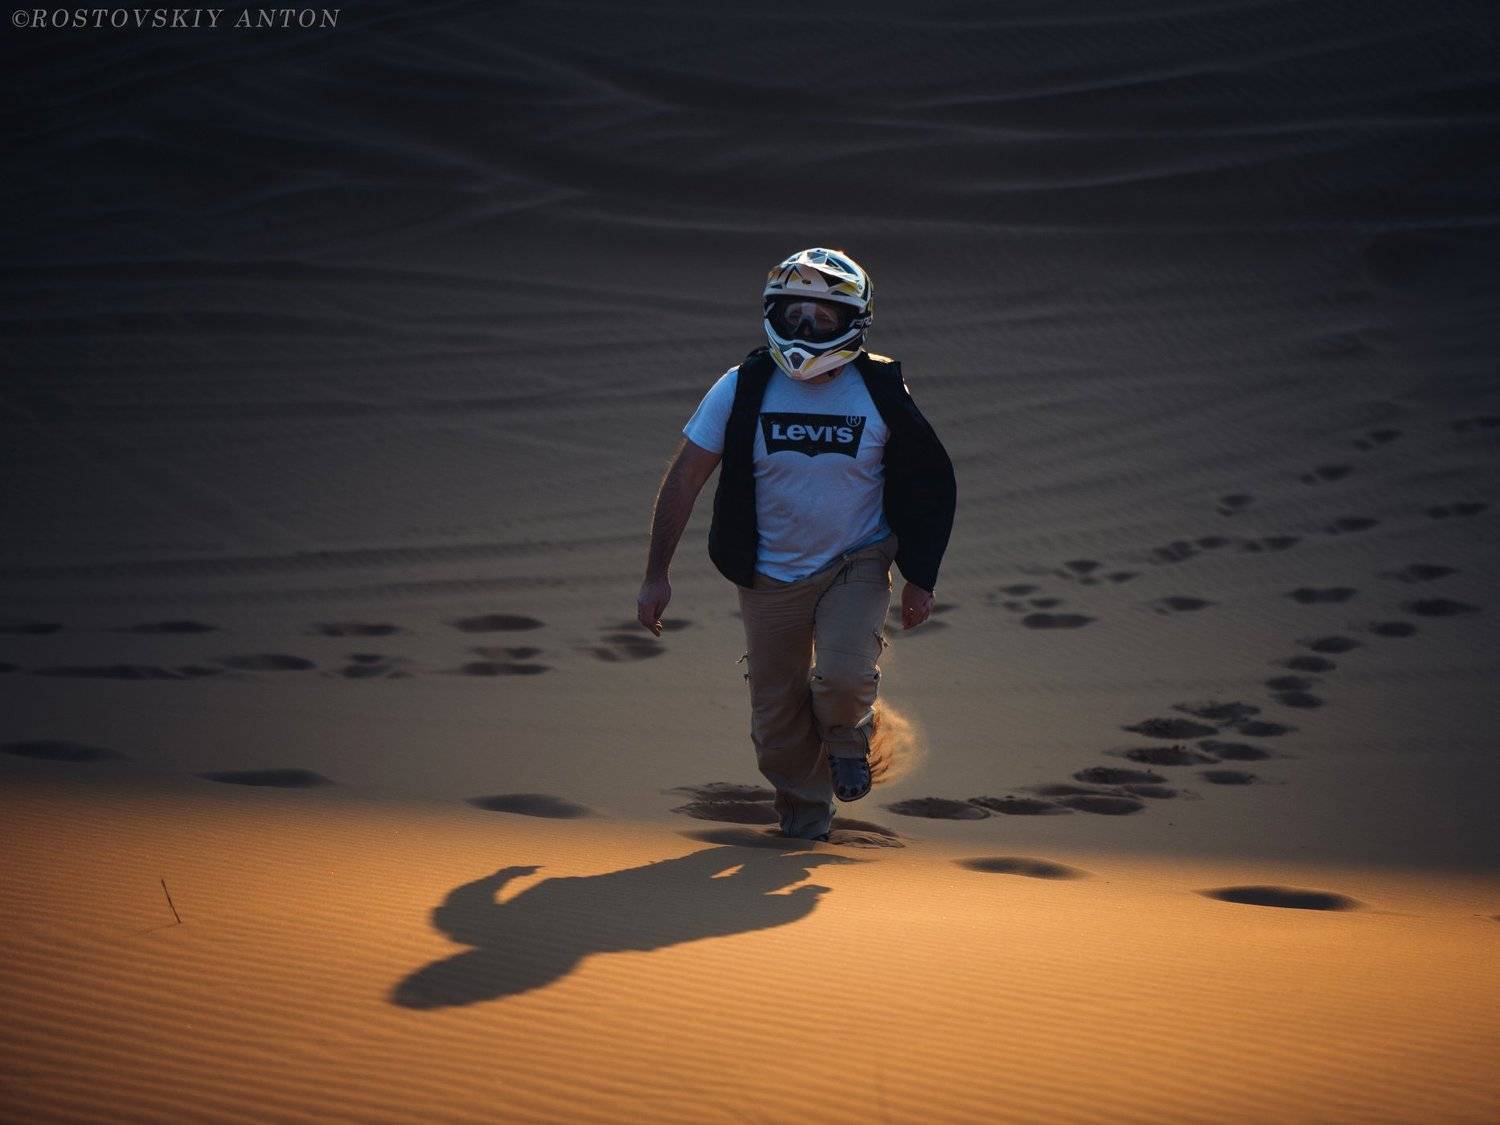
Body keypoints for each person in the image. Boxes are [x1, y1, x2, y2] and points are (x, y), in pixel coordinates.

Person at [636, 247, 957, 842]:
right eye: (794, 314)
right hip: (766, 573)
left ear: (855, 321)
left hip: (855, 560)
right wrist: (657, 573)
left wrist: (922, 577)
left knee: (839, 680)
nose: (807, 330)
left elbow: (928, 483)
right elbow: (685, 478)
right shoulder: (740, 387)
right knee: (776, 723)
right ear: (771, 314)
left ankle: (846, 738)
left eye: (824, 317)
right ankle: (806, 823)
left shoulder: (882, 391)